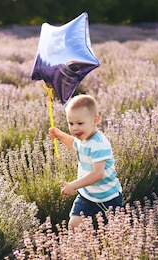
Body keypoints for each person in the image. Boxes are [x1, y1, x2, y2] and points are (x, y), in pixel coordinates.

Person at [49, 94, 123, 230]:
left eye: (80, 123)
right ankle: (77, 250)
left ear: (95, 120)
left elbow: (98, 174)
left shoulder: (99, 144)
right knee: (74, 225)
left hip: (108, 197)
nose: (75, 128)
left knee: (113, 232)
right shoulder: (83, 139)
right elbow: (74, 145)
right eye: (71, 124)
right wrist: (60, 135)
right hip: (87, 195)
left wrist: (74, 185)